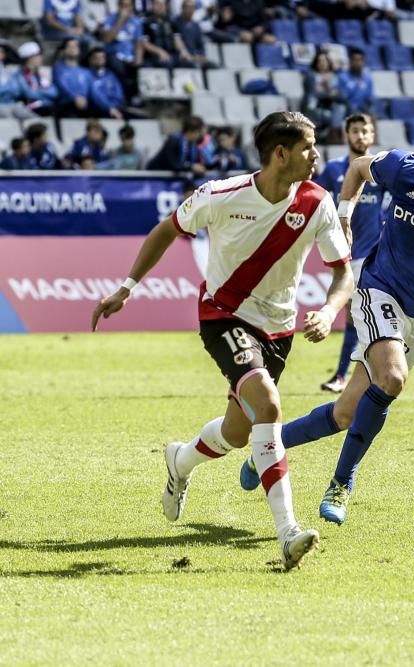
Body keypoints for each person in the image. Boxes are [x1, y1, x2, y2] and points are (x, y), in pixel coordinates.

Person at [91, 111, 355, 570]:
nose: (317, 155)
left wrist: (331, 311)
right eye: (309, 147)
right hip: (223, 316)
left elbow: (342, 273)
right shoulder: (220, 195)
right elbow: (167, 229)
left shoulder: (317, 202)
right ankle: (288, 531)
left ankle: (180, 461)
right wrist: (127, 288)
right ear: (280, 154)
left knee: (238, 431)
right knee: (269, 406)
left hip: (279, 329)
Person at [237, 110, 414, 527]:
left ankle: (268, 448)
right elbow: (357, 168)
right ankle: (341, 483)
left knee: (345, 413)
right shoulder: (405, 170)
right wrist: (344, 213)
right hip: (379, 289)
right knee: (393, 377)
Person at [314, 112, 384, 394]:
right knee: (356, 316)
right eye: (354, 130)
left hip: (375, 255)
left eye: (364, 130)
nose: (359, 135)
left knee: (356, 315)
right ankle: (363, 372)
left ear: (372, 135)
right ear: (347, 135)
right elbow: (316, 202)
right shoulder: (333, 170)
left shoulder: (380, 170)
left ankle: (345, 375)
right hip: (345, 254)